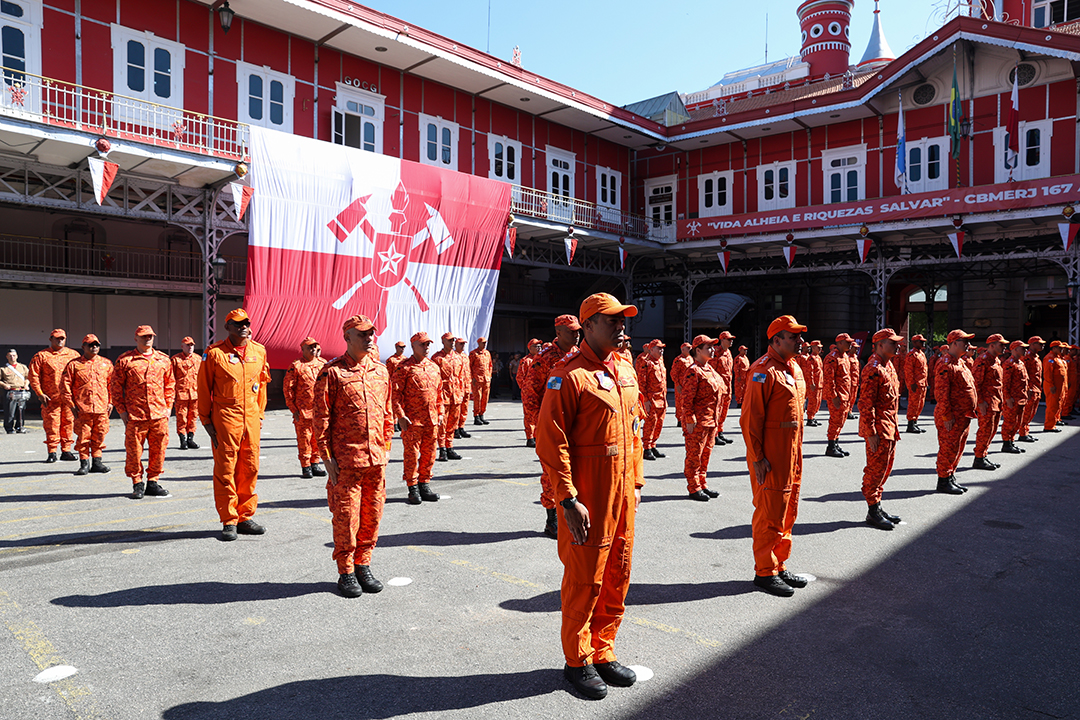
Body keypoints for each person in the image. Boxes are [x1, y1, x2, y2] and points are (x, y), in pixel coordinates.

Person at [535, 292, 643, 700]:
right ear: (589, 325)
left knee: (617, 574)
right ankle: (577, 661)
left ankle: (604, 650)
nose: (620, 326)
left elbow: (634, 430)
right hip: (587, 498)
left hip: (621, 495)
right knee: (584, 580)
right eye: (612, 320)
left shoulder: (623, 371)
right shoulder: (569, 375)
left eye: (622, 320)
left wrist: (636, 483)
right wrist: (567, 499)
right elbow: (551, 442)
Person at [313, 315, 394, 598]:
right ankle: (346, 571)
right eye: (362, 334)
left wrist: (385, 448)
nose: (369, 338)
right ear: (347, 338)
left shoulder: (381, 372)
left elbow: (387, 413)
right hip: (346, 462)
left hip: (375, 461)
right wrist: (326, 457)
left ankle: (364, 565)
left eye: (371, 333)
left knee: (372, 516)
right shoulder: (332, 373)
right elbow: (321, 418)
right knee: (346, 517)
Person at [740, 315, 809, 598]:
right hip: (771, 455)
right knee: (769, 513)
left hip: (792, 453)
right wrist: (757, 457)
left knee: (787, 510)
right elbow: (750, 419)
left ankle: (778, 565)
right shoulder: (762, 371)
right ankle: (764, 572)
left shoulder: (794, 369)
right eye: (793, 337)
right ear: (776, 340)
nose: (800, 341)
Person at [198, 308, 271, 540]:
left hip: (250, 417)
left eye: (247, 323)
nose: (244, 327)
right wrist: (206, 420)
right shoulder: (215, 353)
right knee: (226, 469)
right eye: (238, 323)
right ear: (227, 327)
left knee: (250, 468)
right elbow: (203, 388)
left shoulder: (259, 351)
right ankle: (229, 519)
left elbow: (262, 385)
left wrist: (259, 415)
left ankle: (245, 516)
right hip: (225, 418)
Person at [526, 315, 581, 538]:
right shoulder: (545, 359)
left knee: (575, 472)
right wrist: (542, 424)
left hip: (576, 425)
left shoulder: (580, 355)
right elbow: (530, 393)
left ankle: (572, 514)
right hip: (552, 426)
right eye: (571, 331)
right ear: (558, 332)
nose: (577, 334)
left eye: (578, 330)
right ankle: (552, 520)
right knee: (551, 474)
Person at [110, 325, 176, 499]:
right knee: (134, 451)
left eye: (150, 336)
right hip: (135, 415)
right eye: (144, 336)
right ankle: (137, 483)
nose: (147, 339)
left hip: (159, 414)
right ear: (136, 338)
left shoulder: (163, 359)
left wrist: (168, 408)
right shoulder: (125, 360)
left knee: (159, 450)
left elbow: (170, 385)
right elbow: (115, 387)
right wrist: (122, 411)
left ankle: (153, 481)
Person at [858, 329, 904, 531]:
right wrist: (870, 432)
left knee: (885, 468)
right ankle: (872, 509)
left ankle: (877, 505)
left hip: (889, 425)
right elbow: (866, 404)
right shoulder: (873, 369)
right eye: (892, 343)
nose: (897, 345)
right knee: (875, 470)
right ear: (878, 345)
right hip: (879, 428)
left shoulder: (889, 366)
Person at [392, 332, 442, 505]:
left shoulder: (434, 367)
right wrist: (401, 416)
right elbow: (395, 395)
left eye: (428, 344)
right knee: (412, 455)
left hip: (431, 419)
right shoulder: (404, 368)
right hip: (412, 421)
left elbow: (439, 393)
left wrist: (441, 412)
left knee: (429, 454)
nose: (426, 347)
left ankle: (424, 484)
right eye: (423, 344)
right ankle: (412, 487)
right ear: (413, 346)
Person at [678, 335, 724, 500]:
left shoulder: (710, 369)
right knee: (694, 456)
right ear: (698, 350)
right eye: (709, 348)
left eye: (713, 347)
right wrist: (689, 419)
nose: (713, 350)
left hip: (711, 420)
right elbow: (687, 399)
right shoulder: (693, 371)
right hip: (698, 422)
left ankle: (702, 483)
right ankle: (693, 487)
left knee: (705, 454)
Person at [60, 334, 113, 476]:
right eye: (90, 345)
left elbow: (112, 385)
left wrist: (111, 402)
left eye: (96, 344)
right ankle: (84, 463)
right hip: (82, 409)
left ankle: (97, 462)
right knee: (83, 437)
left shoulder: (106, 363)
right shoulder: (74, 365)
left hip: (101, 408)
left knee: (100, 435)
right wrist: (71, 405)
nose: (94, 347)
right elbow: (65, 386)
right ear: (83, 347)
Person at [934, 330, 978, 495]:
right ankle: (943, 480)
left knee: (957, 447)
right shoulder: (946, 364)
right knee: (948, 447)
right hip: (952, 415)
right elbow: (942, 393)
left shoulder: (960, 362)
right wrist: (947, 415)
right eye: (963, 341)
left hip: (963, 415)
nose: (967, 344)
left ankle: (950, 475)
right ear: (953, 343)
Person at [28, 329, 80, 462]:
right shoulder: (41, 356)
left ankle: (66, 450)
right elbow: (33, 376)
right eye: (57, 338)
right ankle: (52, 452)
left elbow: (80, 375)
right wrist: (40, 393)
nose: (60, 340)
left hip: (69, 398)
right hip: (50, 398)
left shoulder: (73, 355)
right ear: (51, 339)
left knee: (68, 423)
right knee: (52, 424)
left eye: (62, 338)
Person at [283, 337, 328, 478]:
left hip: (320, 410)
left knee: (318, 439)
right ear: (302, 350)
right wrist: (293, 409)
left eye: (315, 347)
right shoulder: (296, 366)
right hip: (303, 411)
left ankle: (315, 463)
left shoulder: (323, 364)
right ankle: (306, 466)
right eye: (309, 347)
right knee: (304, 440)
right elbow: (288, 389)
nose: (313, 350)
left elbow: (329, 386)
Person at [972, 334, 1006, 470]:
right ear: (991, 345)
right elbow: (976, 383)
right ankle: (979, 458)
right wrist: (980, 401)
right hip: (987, 402)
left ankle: (983, 455)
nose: (1004, 347)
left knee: (991, 430)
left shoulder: (996, 360)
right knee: (985, 430)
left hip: (996, 400)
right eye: (1001, 345)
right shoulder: (982, 360)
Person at [432, 332, 466, 462]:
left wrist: (462, 392)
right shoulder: (437, 358)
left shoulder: (458, 358)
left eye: (453, 340)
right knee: (442, 424)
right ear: (443, 341)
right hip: (443, 395)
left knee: (452, 423)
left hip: (456, 395)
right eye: (449, 340)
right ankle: (442, 449)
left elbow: (461, 377)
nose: (452, 343)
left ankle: (450, 446)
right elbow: (434, 379)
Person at [822, 333, 854, 458]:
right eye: (847, 342)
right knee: (835, 421)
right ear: (840, 343)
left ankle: (835, 443)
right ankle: (830, 447)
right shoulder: (832, 358)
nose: (850, 344)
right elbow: (829, 380)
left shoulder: (845, 356)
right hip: (837, 396)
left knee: (841, 421)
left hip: (845, 395)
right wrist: (833, 396)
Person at [636, 340, 667, 460]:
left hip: (661, 398)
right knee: (650, 423)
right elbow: (642, 382)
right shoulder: (646, 362)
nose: (661, 350)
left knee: (659, 423)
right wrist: (645, 400)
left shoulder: (660, 361)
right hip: (652, 399)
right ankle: (647, 448)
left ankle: (653, 444)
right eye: (659, 348)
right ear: (651, 349)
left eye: (662, 348)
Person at [171, 337, 201, 450]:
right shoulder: (175, 360)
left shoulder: (198, 359)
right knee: (181, 417)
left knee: (193, 417)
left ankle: (190, 439)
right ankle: (182, 440)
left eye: (192, 345)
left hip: (195, 394)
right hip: (181, 394)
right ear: (182, 346)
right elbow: (170, 378)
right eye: (187, 345)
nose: (190, 347)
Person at [1000, 340, 1029, 455]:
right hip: (1012, 398)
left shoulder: (1020, 363)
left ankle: (1011, 441)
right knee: (1009, 421)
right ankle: (1006, 443)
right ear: (1015, 349)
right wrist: (1007, 398)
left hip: (1021, 397)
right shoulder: (1009, 364)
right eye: (1023, 348)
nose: (1025, 350)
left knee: (1017, 422)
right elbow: (1005, 383)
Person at [710, 331, 736, 445]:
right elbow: (712, 371)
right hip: (719, 387)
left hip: (727, 386)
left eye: (731, 339)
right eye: (728, 339)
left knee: (724, 411)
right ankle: (714, 435)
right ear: (722, 340)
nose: (731, 341)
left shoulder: (728, 353)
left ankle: (720, 432)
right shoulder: (716, 352)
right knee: (717, 410)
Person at [1019, 337, 1044, 442]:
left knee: (1031, 413)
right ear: (1032, 344)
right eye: (1040, 343)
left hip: (1036, 387)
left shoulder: (1036, 357)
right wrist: (1027, 389)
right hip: (1031, 389)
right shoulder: (1027, 357)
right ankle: (1022, 433)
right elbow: (1024, 374)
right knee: (1026, 412)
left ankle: (1026, 432)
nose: (1042, 345)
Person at [517, 339, 541, 446]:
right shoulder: (526, 361)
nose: (539, 348)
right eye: (536, 346)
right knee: (529, 415)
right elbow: (519, 377)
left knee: (539, 415)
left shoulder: (542, 360)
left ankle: (537, 436)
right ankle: (530, 437)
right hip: (529, 393)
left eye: (540, 346)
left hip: (539, 392)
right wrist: (526, 389)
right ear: (530, 348)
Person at [904, 334, 929, 433]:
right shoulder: (911, 355)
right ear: (914, 342)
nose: (923, 342)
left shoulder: (921, 353)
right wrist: (911, 383)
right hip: (916, 384)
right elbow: (908, 371)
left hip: (923, 383)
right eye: (920, 341)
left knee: (920, 404)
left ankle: (915, 422)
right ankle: (910, 424)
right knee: (913, 404)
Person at [1042, 340, 1069, 432]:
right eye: (1060, 348)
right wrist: (1051, 385)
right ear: (1054, 348)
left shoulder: (1058, 358)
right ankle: (1049, 426)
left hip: (1060, 386)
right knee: (1052, 405)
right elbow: (1047, 373)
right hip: (1053, 386)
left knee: (1058, 404)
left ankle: (1055, 420)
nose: (1062, 350)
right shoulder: (1049, 358)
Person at [1, 349, 30, 434]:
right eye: (10, 356)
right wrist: (4, 385)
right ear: (7, 357)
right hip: (10, 391)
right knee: (10, 412)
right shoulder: (3, 369)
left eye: (14, 355)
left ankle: (20, 426)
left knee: (21, 410)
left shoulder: (23, 367)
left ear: (17, 356)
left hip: (21, 391)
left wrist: (26, 384)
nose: (12, 357)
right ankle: (9, 428)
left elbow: (29, 377)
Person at [470, 337, 493, 425]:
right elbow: (470, 366)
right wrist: (472, 378)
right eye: (482, 343)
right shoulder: (473, 354)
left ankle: (482, 415)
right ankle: (476, 416)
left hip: (486, 379)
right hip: (477, 379)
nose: (484, 344)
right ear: (478, 343)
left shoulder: (487, 353)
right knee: (477, 398)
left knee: (485, 398)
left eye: (485, 343)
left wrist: (490, 376)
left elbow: (490, 365)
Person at [670, 342, 693, 428]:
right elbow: (674, 373)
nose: (690, 349)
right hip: (681, 385)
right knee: (679, 402)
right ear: (683, 349)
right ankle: (679, 419)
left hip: (689, 384)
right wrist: (677, 384)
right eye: (688, 348)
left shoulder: (691, 358)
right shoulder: (678, 360)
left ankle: (686, 418)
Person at [453, 337, 471, 438]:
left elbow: (468, 371)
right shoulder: (453, 356)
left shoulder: (465, 356)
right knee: (456, 410)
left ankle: (461, 427)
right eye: (460, 344)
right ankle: (455, 428)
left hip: (466, 386)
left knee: (464, 409)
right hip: (457, 387)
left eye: (464, 344)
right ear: (456, 345)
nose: (463, 345)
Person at [803, 341, 824, 427]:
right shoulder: (811, 359)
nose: (820, 349)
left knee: (817, 401)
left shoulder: (818, 357)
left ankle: (813, 416)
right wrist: (811, 383)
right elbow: (809, 372)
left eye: (820, 347)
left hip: (819, 383)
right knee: (812, 401)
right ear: (813, 347)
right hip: (814, 384)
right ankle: (810, 418)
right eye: (818, 347)